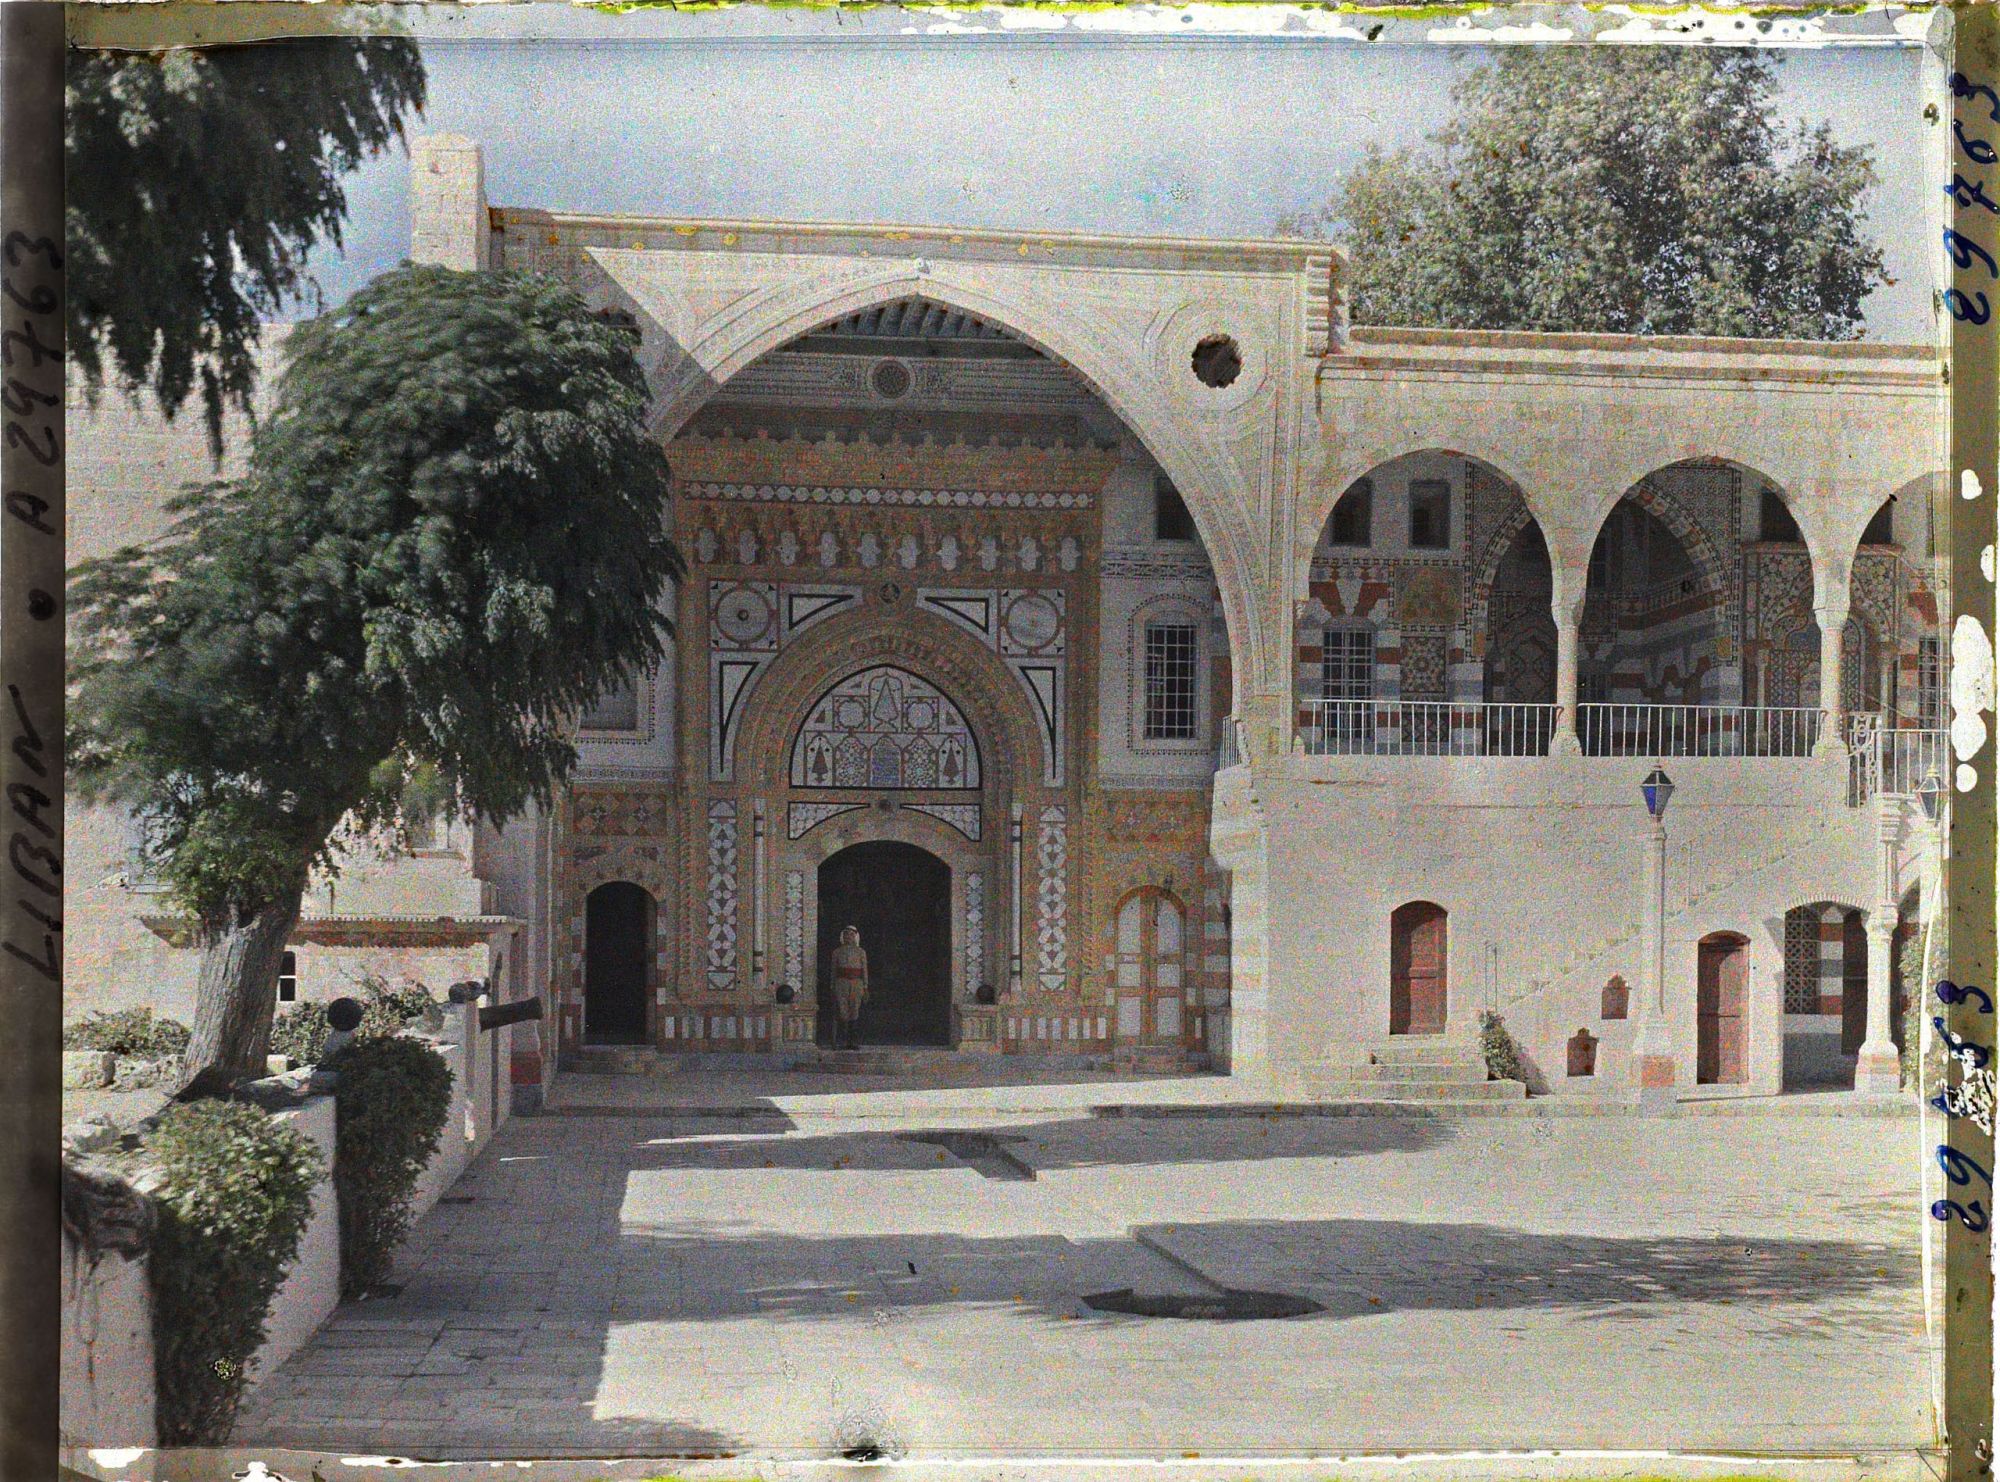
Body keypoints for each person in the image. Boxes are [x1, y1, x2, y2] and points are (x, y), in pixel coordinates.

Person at [831, 925, 869, 1049]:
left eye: (851, 934)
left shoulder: (861, 952)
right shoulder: (837, 952)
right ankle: (844, 1040)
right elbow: (834, 970)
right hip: (841, 984)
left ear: (855, 936)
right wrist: (832, 985)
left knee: (854, 1010)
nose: (849, 937)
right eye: (846, 934)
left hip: (856, 983)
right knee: (843, 1011)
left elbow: (864, 970)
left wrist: (865, 986)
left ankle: (853, 1041)